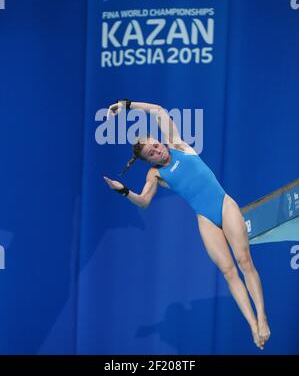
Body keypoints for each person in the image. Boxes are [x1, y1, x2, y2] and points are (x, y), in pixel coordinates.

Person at [103, 99, 271, 350]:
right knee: (228, 272)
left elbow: (158, 110)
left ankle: (263, 318)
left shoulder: (177, 144)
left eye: (156, 145)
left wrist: (125, 105)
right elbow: (144, 202)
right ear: (149, 161)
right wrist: (124, 191)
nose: (158, 150)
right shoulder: (155, 174)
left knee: (244, 261)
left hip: (224, 205)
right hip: (204, 218)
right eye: (152, 153)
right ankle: (252, 325)